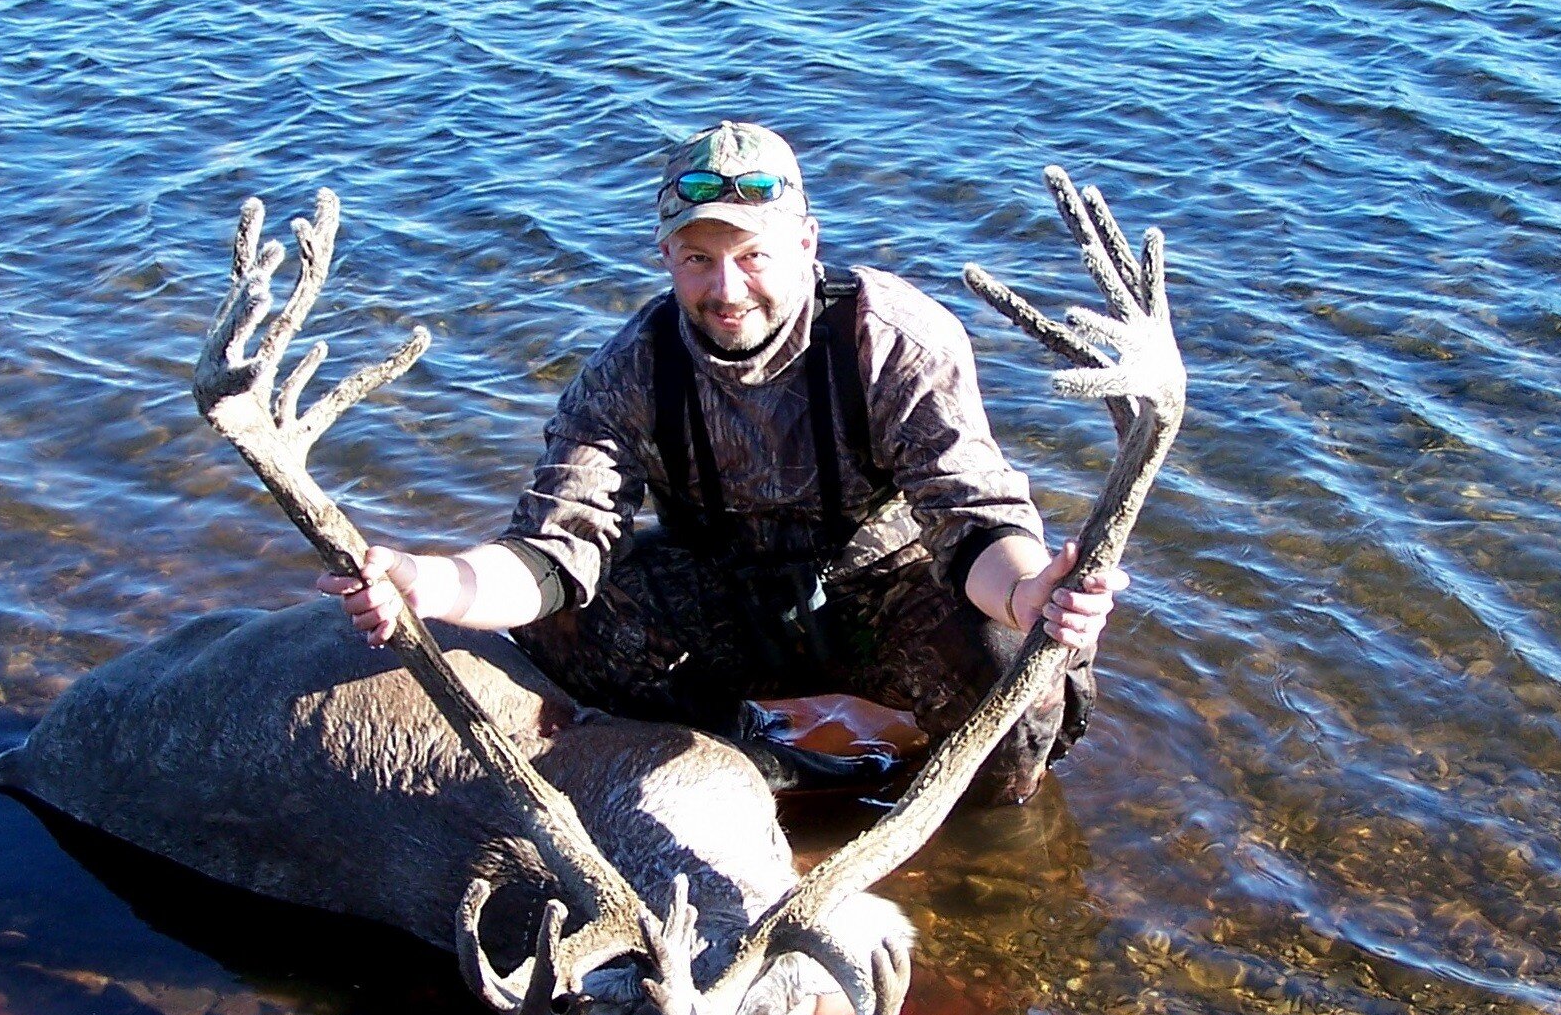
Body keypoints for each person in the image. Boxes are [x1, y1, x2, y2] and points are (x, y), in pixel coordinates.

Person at [318, 120, 1127, 804]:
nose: (727, 288)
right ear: (664, 255)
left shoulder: (894, 340)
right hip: (723, 600)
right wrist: (428, 583)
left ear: (806, 242)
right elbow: (550, 551)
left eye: (753, 255)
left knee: (1012, 664)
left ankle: (972, 851)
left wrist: (1028, 594)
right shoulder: (629, 370)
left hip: (882, 595)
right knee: (554, 626)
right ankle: (731, 760)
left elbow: (974, 519)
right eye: (698, 258)